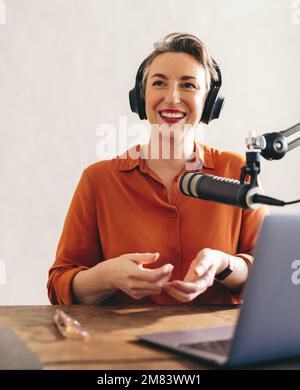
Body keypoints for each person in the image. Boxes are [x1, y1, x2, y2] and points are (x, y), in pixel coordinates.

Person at [47, 32, 268, 306]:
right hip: (122, 344)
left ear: (210, 103)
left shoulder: (237, 171)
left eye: (188, 85)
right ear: (141, 97)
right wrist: (108, 276)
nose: (172, 98)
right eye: (159, 83)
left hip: (214, 343)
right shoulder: (99, 180)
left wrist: (224, 265)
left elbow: (269, 278)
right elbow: (59, 287)